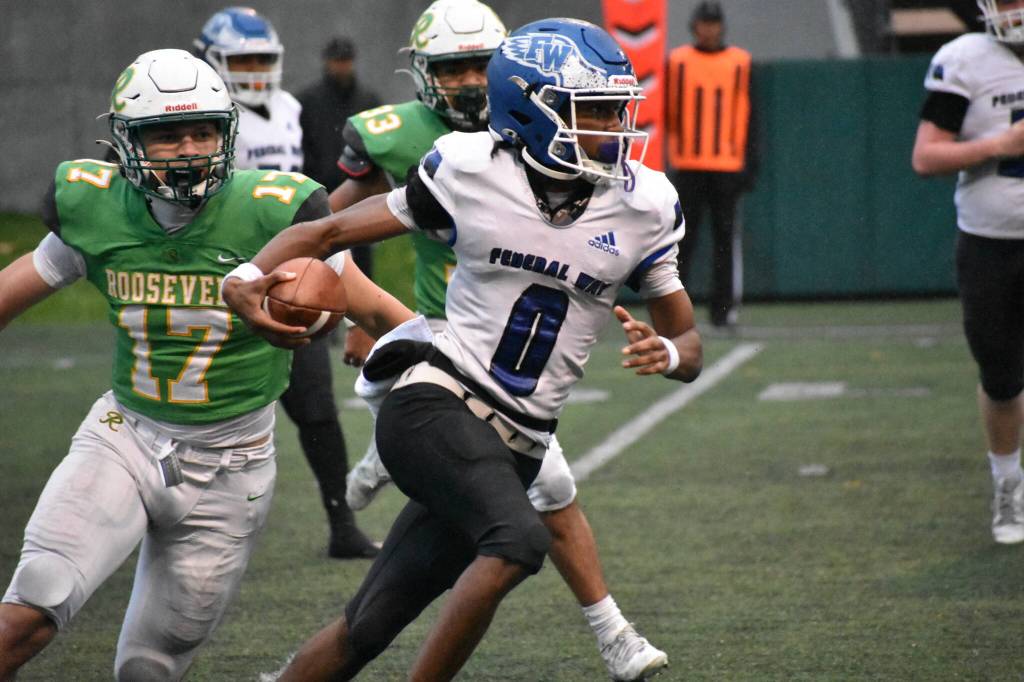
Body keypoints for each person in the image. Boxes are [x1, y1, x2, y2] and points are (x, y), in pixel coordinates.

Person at [223, 17, 702, 681]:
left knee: (366, 628)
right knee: (520, 540)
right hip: (435, 403)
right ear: (529, 113)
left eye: (616, 109)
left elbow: (689, 343)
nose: (612, 127)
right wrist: (247, 275)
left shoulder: (645, 205)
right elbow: (330, 230)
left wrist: (667, 355)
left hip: (520, 446)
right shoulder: (470, 170)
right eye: (591, 110)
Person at [0, 49, 413, 680]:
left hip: (233, 465)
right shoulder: (97, 207)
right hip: (124, 437)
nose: (189, 150)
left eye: (203, 131)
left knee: (149, 668)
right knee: (28, 613)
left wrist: (459, 378)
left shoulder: (273, 210)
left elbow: (383, 312)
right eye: (167, 134)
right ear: (127, 141)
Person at [331, 1, 671, 678]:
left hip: (510, 347)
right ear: (422, 74)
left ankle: (379, 456)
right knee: (546, 493)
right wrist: (351, 312)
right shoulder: (417, 141)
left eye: (477, 66)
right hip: (446, 336)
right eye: (451, 68)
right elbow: (328, 221)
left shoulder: (552, 139)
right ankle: (612, 631)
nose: (466, 82)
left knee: (518, 498)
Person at [194, 7, 378, 559]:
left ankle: (341, 523)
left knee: (316, 404)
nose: (254, 71)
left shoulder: (290, 109)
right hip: (219, 276)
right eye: (242, 60)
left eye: (261, 60)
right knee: (206, 414)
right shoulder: (204, 119)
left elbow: (311, 200)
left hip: (288, 275)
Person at [912, 0, 1024, 544]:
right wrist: (999, 145)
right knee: (1000, 377)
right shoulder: (964, 59)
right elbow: (926, 157)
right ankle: (1008, 486)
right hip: (990, 243)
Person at [665, 0, 755, 328]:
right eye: (704, 23)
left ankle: (723, 310)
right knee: (681, 240)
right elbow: (668, 112)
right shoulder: (678, 61)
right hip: (688, 165)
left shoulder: (740, 62)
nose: (709, 29)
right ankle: (675, 309)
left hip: (726, 166)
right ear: (695, 26)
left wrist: (749, 165)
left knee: (724, 241)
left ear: (721, 27)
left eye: (713, 23)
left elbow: (751, 116)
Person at [297, 35, 381, 356]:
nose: (341, 67)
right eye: (336, 61)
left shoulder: (368, 99)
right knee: (320, 261)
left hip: (360, 196)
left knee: (362, 262)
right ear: (327, 62)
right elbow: (301, 149)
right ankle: (320, 317)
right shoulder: (307, 101)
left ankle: (366, 323)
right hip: (320, 195)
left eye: (345, 61)